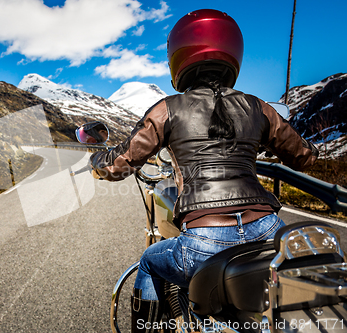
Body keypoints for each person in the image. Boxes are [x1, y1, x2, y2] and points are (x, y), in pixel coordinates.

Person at [89, 9, 318, 333]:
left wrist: (98, 165)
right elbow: (305, 157)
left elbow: (120, 163)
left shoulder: (167, 109)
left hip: (206, 239)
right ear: (231, 52)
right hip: (268, 228)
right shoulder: (258, 106)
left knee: (151, 261)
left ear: (178, 56)